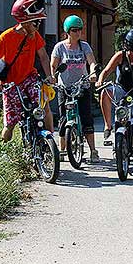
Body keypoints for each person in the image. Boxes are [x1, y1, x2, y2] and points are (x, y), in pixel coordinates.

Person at [0, 0, 55, 142]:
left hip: (30, 78)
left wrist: (49, 76)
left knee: (44, 104)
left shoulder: (34, 35)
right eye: (34, 23)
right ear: (24, 22)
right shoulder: (6, 37)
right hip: (11, 83)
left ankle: (50, 142)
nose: (37, 26)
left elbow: (43, 56)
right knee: (10, 124)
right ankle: (3, 150)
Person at [95, 28, 133, 172]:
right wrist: (100, 80)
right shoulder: (120, 56)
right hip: (122, 89)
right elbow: (106, 71)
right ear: (127, 47)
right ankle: (108, 125)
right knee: (106, 92)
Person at [51, 15, 100, 163]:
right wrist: (53, 76)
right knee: (64, 118)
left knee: (86, 118)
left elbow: (92, 62)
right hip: (64, 87)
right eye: (74, 30)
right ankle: (62, 150)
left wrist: (93, 74)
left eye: (80, 30)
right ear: (67, 31)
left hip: (82, 86)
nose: (77, 33)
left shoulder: (84, 46)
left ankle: (93, 151)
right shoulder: (59, 47)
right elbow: (53, 65)